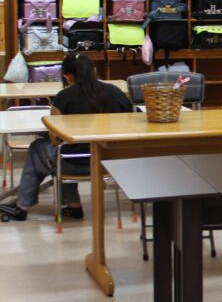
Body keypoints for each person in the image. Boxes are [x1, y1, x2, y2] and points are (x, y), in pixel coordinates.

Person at [0, 53, 133, 222]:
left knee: (41, 148)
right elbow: (130, 120)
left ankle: (22, 206)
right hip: (109, 161)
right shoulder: (114, 92)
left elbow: (55, 138)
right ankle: (72, 206)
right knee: (63, 151)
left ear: (68, 76)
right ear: (93, 70)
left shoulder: (64, 97)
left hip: (73, 164)